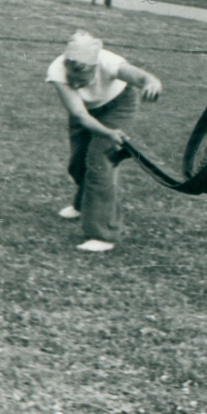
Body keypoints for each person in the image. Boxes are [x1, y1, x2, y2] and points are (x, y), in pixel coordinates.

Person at [47, 30, 162, 253]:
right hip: (85, 112)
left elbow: (143, 78)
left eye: (82, 80)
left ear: (94, 66)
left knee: (99, 163)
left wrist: (152, 83)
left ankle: (103, 234)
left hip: (119, 105)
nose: (77, 84)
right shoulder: (57, 70)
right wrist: (108, 133)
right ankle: (82, 205)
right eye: (74, 80)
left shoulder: (109, 62)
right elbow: (80, 116)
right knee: (78, 163)